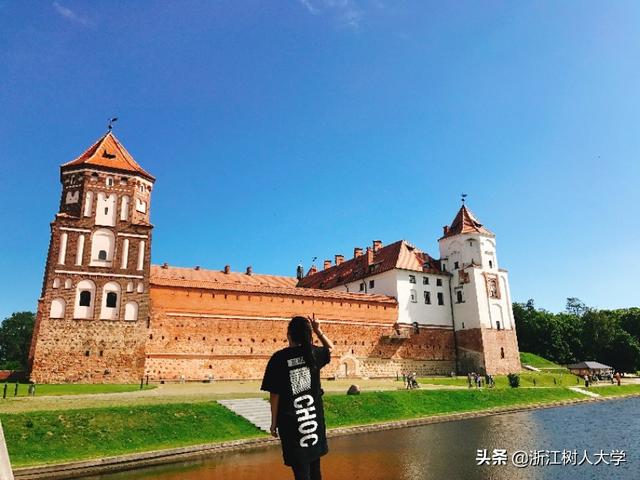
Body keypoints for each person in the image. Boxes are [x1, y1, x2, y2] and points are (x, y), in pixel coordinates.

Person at [261, 316, 334, 480]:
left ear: (289, 335)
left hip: (292, 425)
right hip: (312, 423)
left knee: (301, 473)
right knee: (315, 471)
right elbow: (330, 348)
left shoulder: (279, 358)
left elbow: (274, 394)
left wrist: (273, 423)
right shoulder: (314, 354)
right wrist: (319, 331)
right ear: (309, 336)